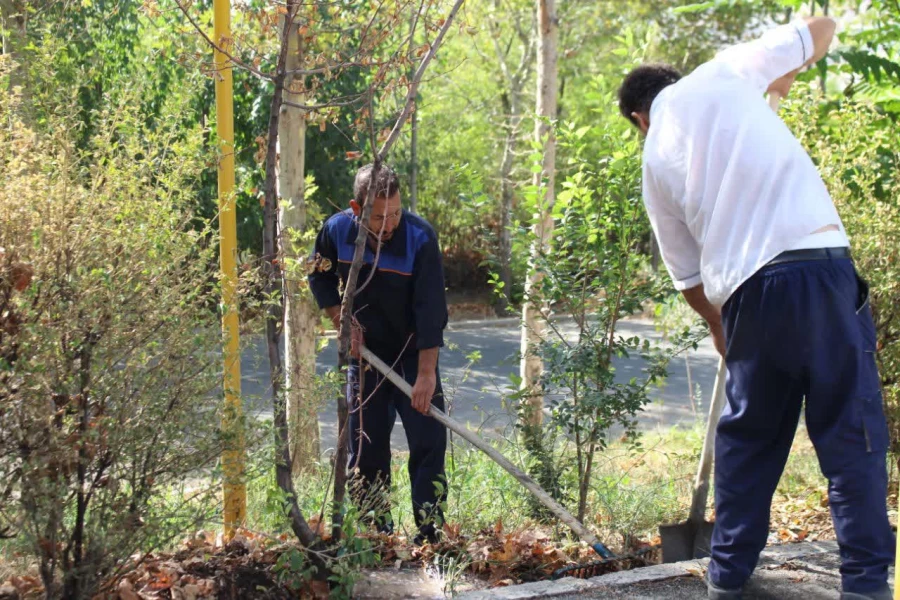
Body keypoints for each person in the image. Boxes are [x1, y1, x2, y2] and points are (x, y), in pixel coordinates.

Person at [618, 17, 894, 600]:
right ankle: (867, 586)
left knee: (750, 439)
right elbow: (823, 26)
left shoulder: (654, 160)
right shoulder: (725, 73)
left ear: (640, 119)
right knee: (851, 437)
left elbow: (687, 276)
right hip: (819, 266)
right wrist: (785, 68)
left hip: (746, 292)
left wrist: (719, 326)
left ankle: (727, 576)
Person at [307, 163, 449, 545]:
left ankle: (430, 531)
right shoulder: (337, 230)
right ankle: (376, 535)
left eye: (395, 213)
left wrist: (426, 375)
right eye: (378, 216)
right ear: (356, 209)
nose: (388, 225)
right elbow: (317, 272)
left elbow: (431, 310)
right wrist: (341, 317)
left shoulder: (420, 238)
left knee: (428, 443)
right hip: (365, 359)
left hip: (410, 356)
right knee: (366, 449)